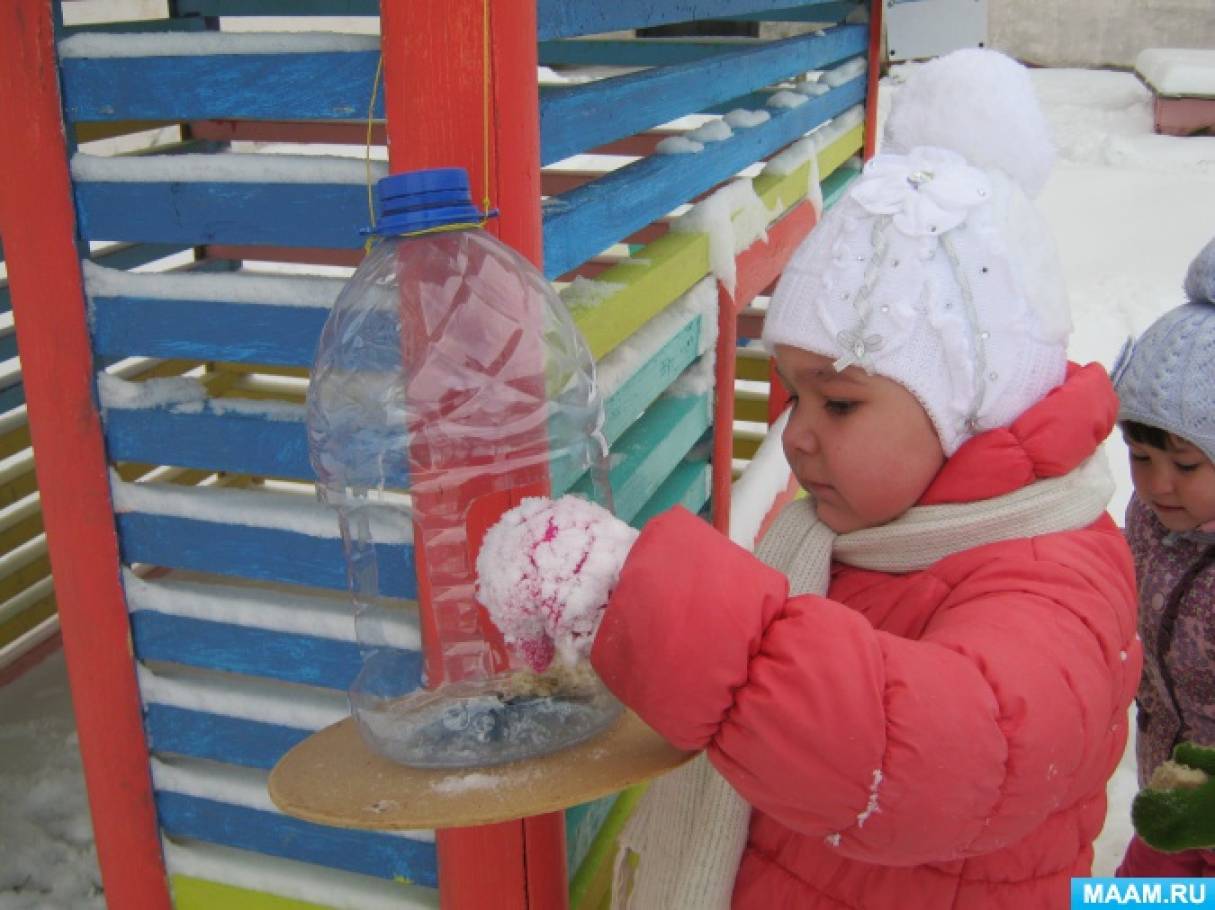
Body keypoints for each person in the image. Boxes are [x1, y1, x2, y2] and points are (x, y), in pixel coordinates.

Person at [476, 49, 1140, 909]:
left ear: (971, 406)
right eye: (794, 396)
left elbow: (935, 756)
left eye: (840, 404)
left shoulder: (1050, 579)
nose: (797, 438)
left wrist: (638, 599)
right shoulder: (871, 527)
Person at [1112, 235, 1215, 878]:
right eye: (1140, 456)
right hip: (1170, 794)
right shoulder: (1150, 521)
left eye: (1184, 463)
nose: (1155, 485)